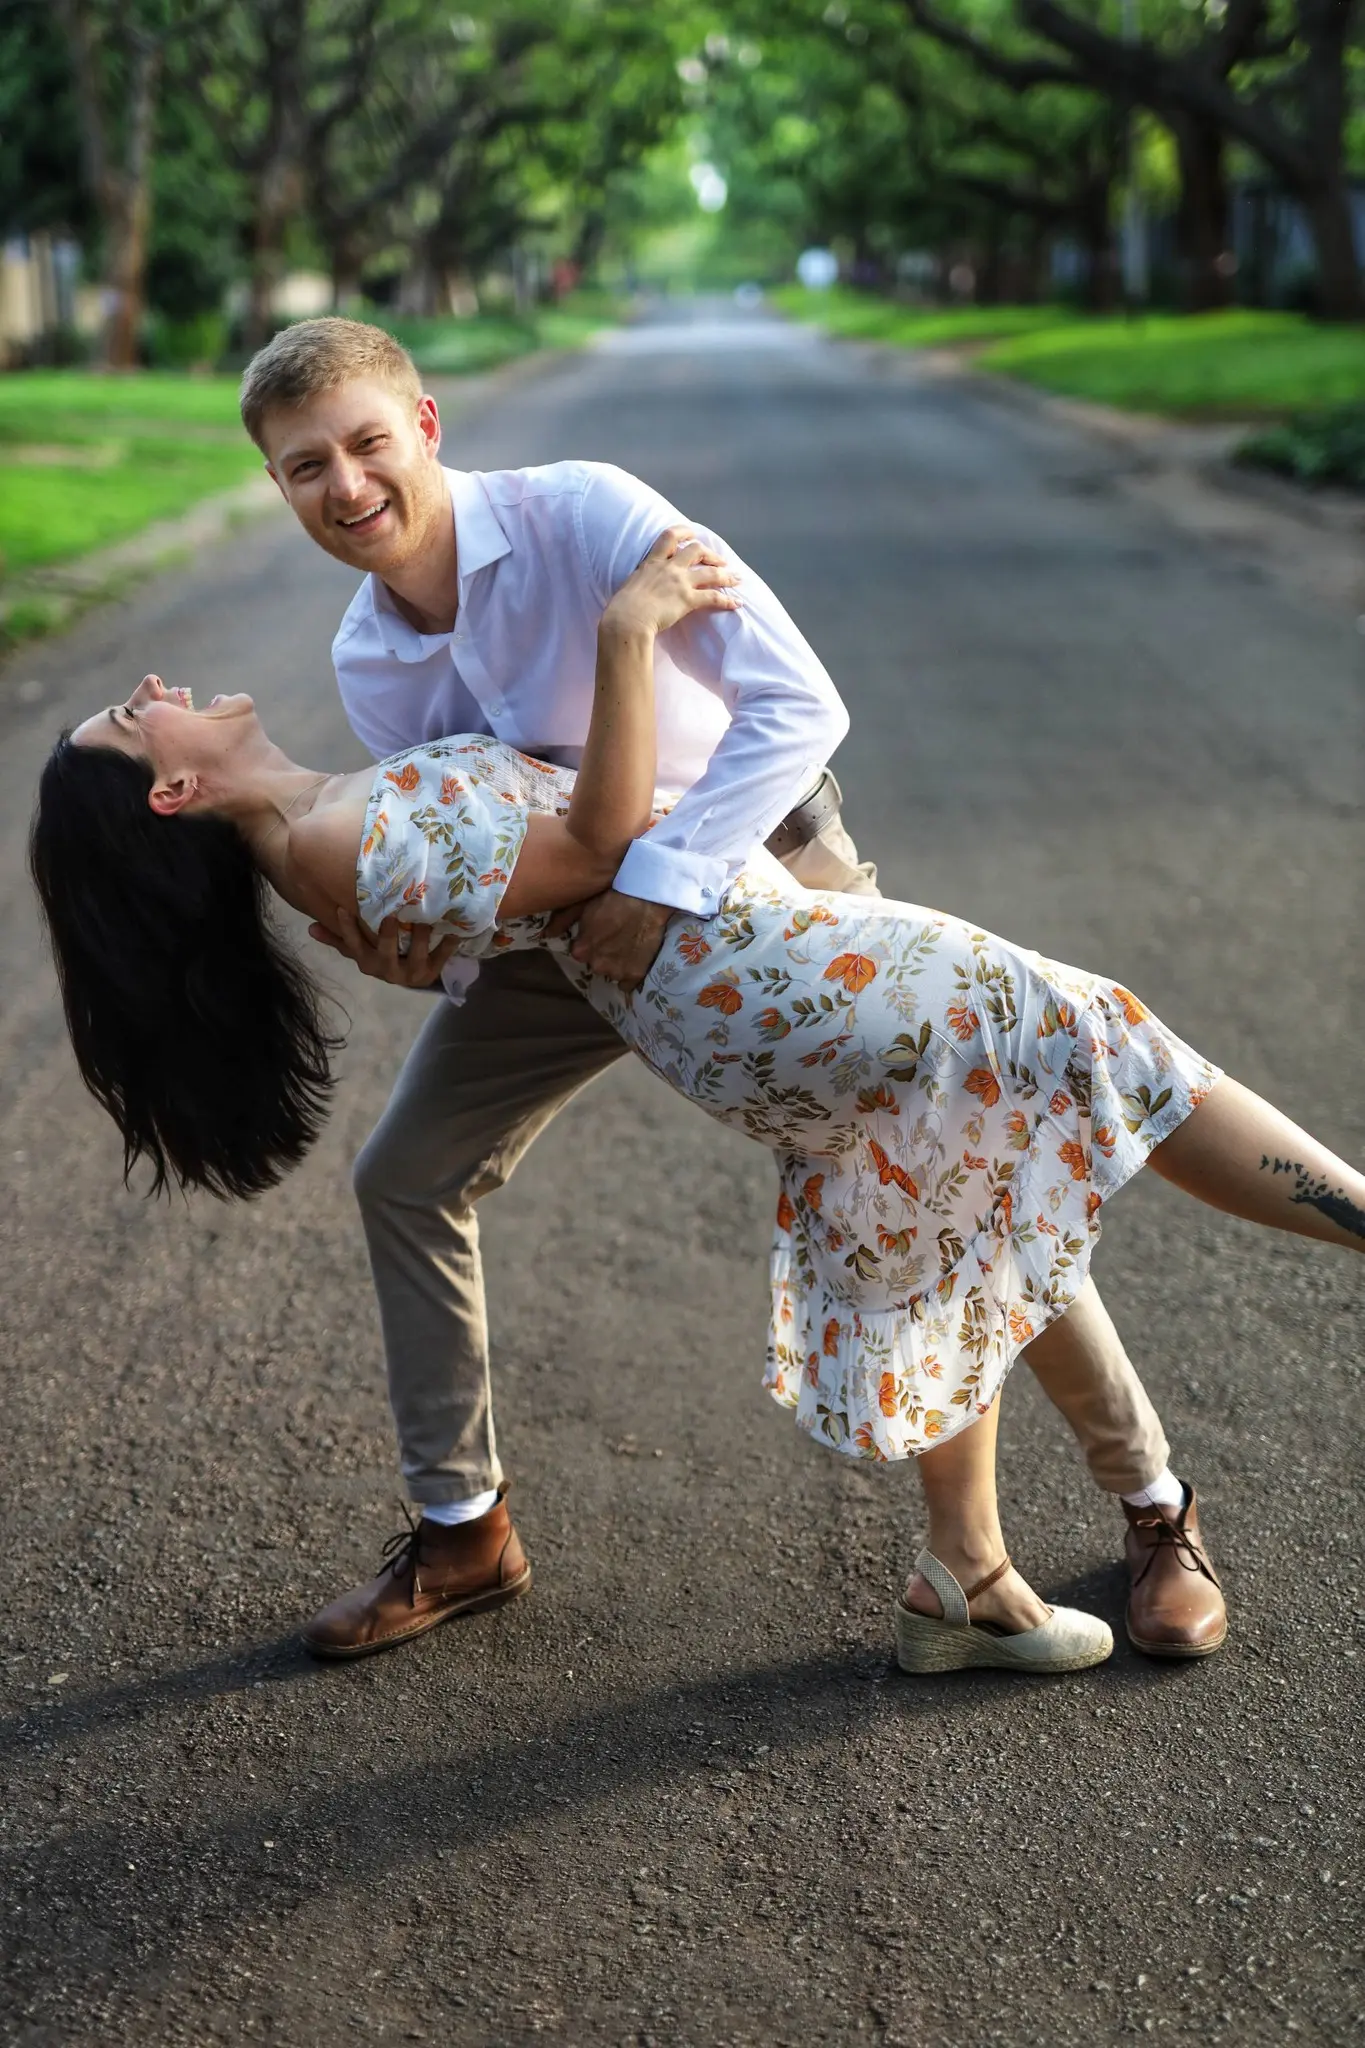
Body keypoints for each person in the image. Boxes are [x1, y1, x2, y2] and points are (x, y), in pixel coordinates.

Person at [32, 534, 1365, 1676]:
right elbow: (599, 842)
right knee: (1112, 1044)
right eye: (128, 713)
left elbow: (503, 866)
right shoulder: (330, 843)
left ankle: (973, 1580)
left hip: (754, 976)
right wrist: (629, 631)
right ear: (172, 790)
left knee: (953, 1193)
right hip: (777, 976)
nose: (152, 684)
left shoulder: (330, 830)